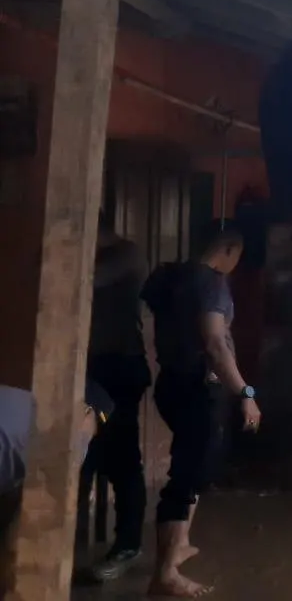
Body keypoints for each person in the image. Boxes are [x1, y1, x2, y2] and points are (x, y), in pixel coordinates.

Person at [141, 228, 261, 598]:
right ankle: (165, 574)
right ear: (229, 249)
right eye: (237, 256)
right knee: (186, 477)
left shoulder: (169, 276)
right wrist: (246, 393)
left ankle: (179, 543)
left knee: (191, 469)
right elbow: (214, 343)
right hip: (197, 388)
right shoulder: (210, 283)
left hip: (171, 382)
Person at [84, 213, 151, 582]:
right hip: (93, 369)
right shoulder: (103, 255)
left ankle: (128, 544)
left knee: (121, 457)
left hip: (119, 369)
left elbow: (84, 280)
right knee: (84, 455)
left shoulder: (126, 254)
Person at [2, 381, 114, 590]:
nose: (92, 435)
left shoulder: (22, 398)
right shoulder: (71, 437)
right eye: (95, 427)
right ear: (86, 412)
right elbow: (33, 522)